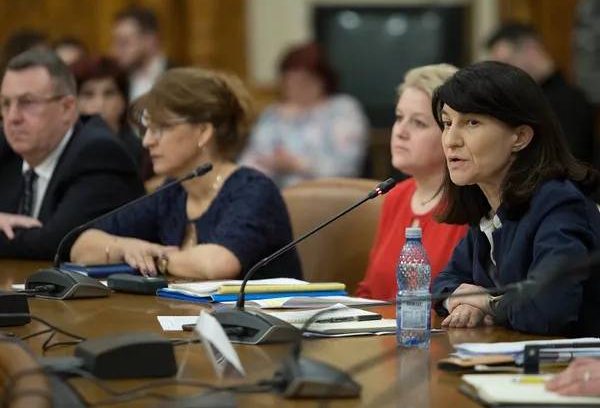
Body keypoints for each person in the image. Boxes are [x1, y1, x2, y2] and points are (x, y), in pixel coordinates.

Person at [70, 67, 303, 281]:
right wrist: (126, 248)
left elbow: (217, 265)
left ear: (203, 132)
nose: (147, 141)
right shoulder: (173, 191)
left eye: (161, 128)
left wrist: (156, 258)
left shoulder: (254, 190)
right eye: (147, 129)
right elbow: (81, 246)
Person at [432, 61, 600, 337]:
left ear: (520, 137)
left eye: (472, 122)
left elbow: (547, 309)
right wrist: (460, 301)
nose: (451, 140)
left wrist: (488, 303)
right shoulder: (487, 204)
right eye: (448, 123)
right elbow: (445, 282)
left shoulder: (559, 203)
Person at [0, 48, 144, 261]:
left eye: (28, 103)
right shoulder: (6, 147)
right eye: (5, 103)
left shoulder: (98, 153)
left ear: (67, 108)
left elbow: (56, 243)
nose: (13, 118)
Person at [355, 64, 468, 300]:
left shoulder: (470, 203)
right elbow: (370, 291)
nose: (400, 131)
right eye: (399, 118)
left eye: (418, 123)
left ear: (451, 133)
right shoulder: (394, 196)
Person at [239, 42, 369, 187]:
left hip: (331, 195)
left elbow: (346, 168)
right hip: (277, 195)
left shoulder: (343, 109)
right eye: (290, 81)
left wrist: (296, 163)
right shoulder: (273, 114)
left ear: (323, 80)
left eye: (305, 82)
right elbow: (249, 165)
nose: (297, 88)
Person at [486, 22, 596, 166]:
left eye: (507, 63)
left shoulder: (570, 101)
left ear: (531, 50)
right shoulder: (522, 100)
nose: (504, 75)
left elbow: (564, 162)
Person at [71, 55, 145, 171]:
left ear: (123, 100)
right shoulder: (64, 151)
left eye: (109, 93)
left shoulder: (142, 154)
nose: (100, 104)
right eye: (88, 94)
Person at [111, 5, 174, 101]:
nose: (115, 51)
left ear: (149, 40)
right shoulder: (117, 80)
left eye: (124, 42)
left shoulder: (179, 77)